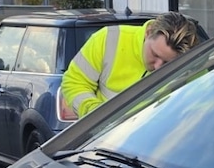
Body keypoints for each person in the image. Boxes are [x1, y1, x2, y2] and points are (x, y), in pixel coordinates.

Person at [60, 11, 201, 119]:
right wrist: (95, 113)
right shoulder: (108, 39)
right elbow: (74, 82)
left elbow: (203, 104)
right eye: (155, 54)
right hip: (103, 143)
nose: (158, 66)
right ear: (148, 32)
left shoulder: (191, 63)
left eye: (167, 63)